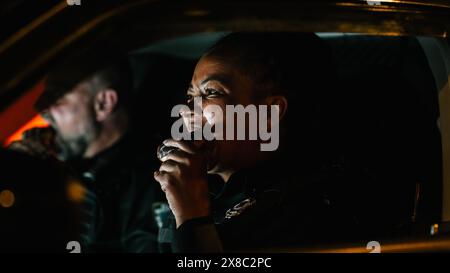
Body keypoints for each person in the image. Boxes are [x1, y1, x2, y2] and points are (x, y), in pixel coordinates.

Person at [154, 32, 362, 252]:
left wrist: (192, 216)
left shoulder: (312, 211)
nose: (189, 112)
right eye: (190, 96)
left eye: (211, 92)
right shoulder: (201, 187)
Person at [9, 52, 164, 252]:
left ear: (104, 103)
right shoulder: (60, 168)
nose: (42, 109)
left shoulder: (156, 181)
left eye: (57, 95)